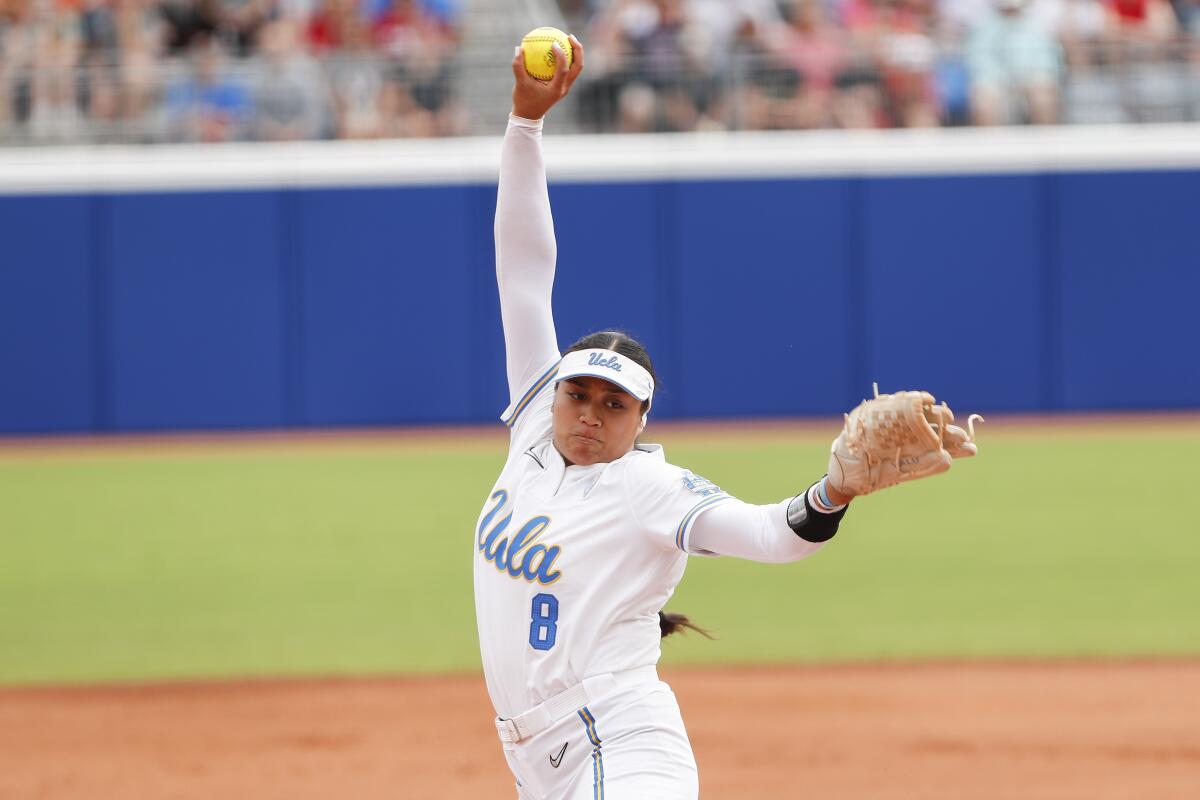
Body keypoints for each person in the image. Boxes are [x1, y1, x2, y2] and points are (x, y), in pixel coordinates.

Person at [474, 37, 879, 799]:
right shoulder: (533, 421)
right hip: (537, 761)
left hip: (620, 743)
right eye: (579, 394)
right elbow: (523, 268)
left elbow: (768, 535)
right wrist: (524, 127)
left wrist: (833, 491)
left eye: (613, 404)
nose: (589, 414)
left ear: (642, 418)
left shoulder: (647, 489)